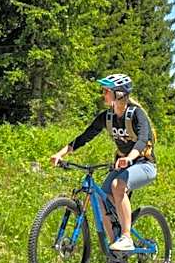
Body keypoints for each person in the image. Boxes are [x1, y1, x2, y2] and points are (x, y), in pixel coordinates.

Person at [49, 73, 157, 251]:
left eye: (106, 91)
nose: (103, 94)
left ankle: (127, 237)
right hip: (123, 164)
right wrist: (60, 154)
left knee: (117, 185)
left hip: (144, 165)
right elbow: (84, 137)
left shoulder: (136, 114)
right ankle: (114, 248)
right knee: (99, 197)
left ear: (119, 94)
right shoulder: (107, 117)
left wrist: (129, 158)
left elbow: (143, 139)